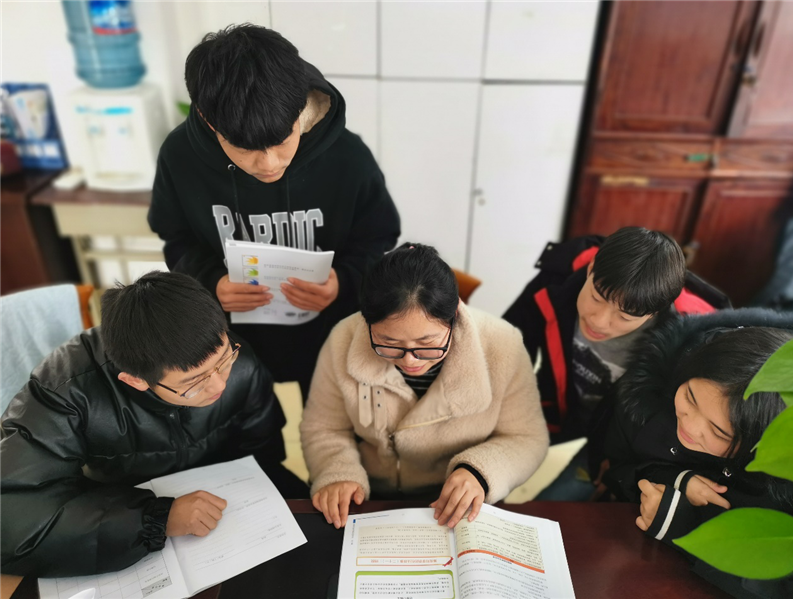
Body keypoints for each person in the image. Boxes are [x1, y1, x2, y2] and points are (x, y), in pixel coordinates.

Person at [148, 25, 401, 399]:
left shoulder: (347, 156)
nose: (268, 164)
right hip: (230, 343)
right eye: (244, 148)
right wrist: (212, 283)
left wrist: (344, 282)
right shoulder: (180, 156)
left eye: (282, 141)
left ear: (300, 111)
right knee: (250, 425)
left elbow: (377, 238)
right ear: (208, 120)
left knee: (327, 422)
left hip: (328, 334)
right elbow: (176, 238)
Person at [0, 272, 306, 577]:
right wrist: (155, 519)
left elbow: (263, 453)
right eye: (193, 383)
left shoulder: (237, 359)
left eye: (224, 361)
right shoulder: (64, 391)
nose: (218, 385)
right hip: (124, 513)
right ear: (136, 380)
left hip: (225, 511)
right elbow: (12, 519)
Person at [300, 243, 549, 530]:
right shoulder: (343, 339)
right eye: (389, 343)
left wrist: (480, 472)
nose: (410, 360)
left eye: (427, 344)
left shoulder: (503, 345)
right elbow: (324, 427)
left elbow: (526, 437)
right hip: (369, 495)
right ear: (366, 321)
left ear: (454, 316)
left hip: (460, 501)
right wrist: (339, 472)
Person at [503, 227, 729, 500]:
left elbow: (676, 414)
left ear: (654, 313)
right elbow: (507, 345)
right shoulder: (559, 275)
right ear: (591, 269)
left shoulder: (691, 336)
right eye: (596, 297)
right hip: (557, 406)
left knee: (554, 505)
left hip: (618, 440)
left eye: (624, 317)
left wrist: (624, 460)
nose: (598, 321)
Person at [601, 309, 793, 597]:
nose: (690, 427)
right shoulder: (651, 393)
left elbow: (784, 585)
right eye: (690, 398)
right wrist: (676, 478)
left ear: (762, 445)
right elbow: (618, 465)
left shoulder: (789, 475)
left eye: (719, 432)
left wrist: (687, 526)